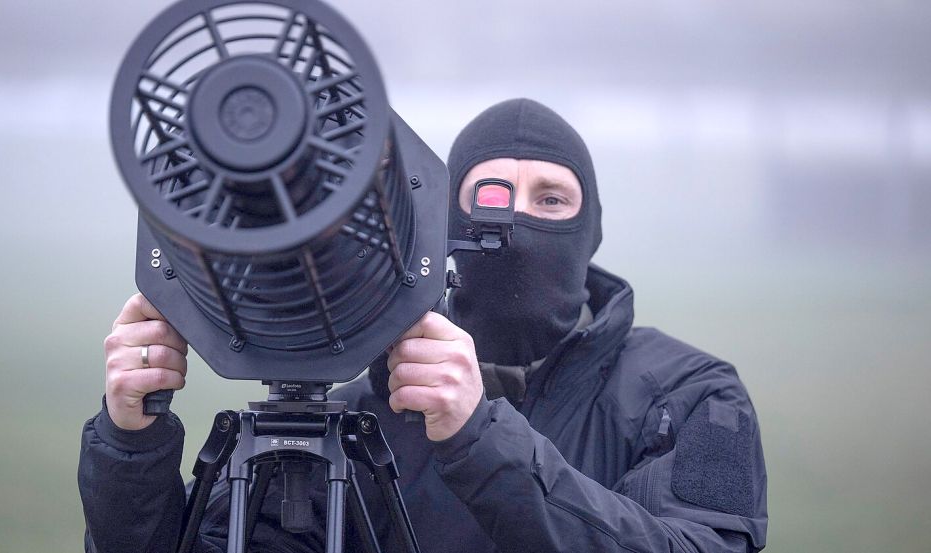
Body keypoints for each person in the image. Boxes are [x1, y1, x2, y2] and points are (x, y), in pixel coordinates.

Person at [79, 98, 768, 552]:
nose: (515, 221)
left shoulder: (686, 396)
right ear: (444, 225)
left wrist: (479, 438)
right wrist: (131, 445)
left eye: (550, 198)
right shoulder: (354, 419)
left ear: (588, 231)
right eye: (490, 195)